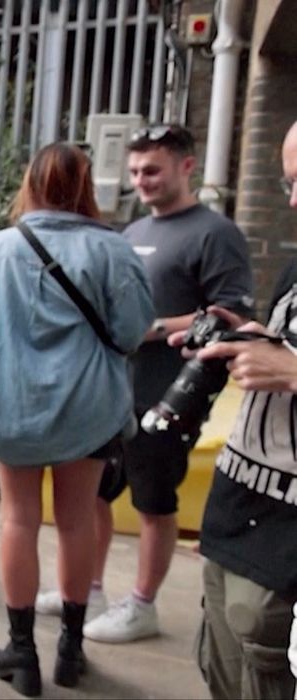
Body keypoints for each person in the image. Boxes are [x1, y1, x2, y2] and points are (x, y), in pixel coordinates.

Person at [0, 143, 154, 696]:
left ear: (30, 184)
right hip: (88, 410)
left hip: (14, 407)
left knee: (18, 521)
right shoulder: (113, 250)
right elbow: (129, 332)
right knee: (76, 521)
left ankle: (21, 653)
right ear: (86, 187)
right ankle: (70, 650)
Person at [78, 124, 255, 645]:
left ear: (186, 167)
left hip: (170, 393)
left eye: (151, 170)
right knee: (94, 492)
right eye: (134, 172)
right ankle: (86, 587)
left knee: (154, 501)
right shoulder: (132, 232)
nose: (141, 181)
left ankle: (142, 604)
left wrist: (152, 329)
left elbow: (233, 313)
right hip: (114, 390)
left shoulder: (215, 233)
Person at [178, 119, 297, 700]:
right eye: (287, 183)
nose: (294, 200)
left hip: (285, 545)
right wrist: (254, 338)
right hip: (245, 509)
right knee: (224, 667)